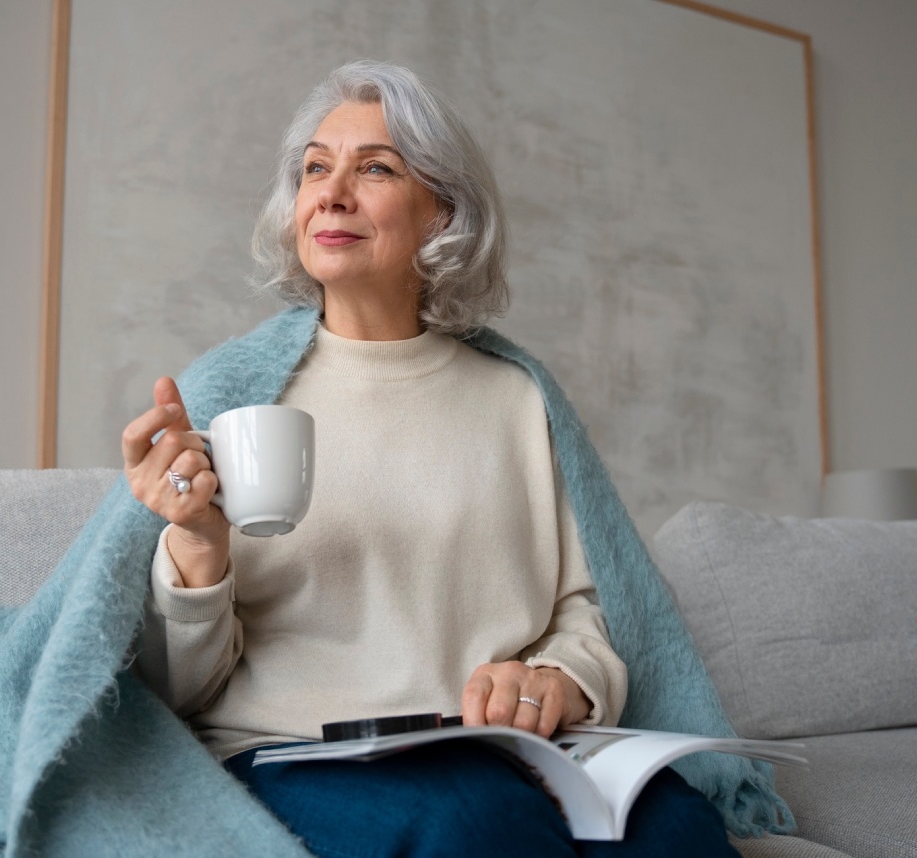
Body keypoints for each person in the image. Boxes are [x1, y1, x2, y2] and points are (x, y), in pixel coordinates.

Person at [123, 60, 737, 857]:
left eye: (375, 168)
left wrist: (557, 679)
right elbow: (171, 692)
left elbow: (584, 605)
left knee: (681, 828)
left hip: (493, 752)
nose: (332, 193)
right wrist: (197, 544)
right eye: (316, 169)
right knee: (476, 823)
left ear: (441, 212)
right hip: (288, 754)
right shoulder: (230, 400)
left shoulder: (519, 397)